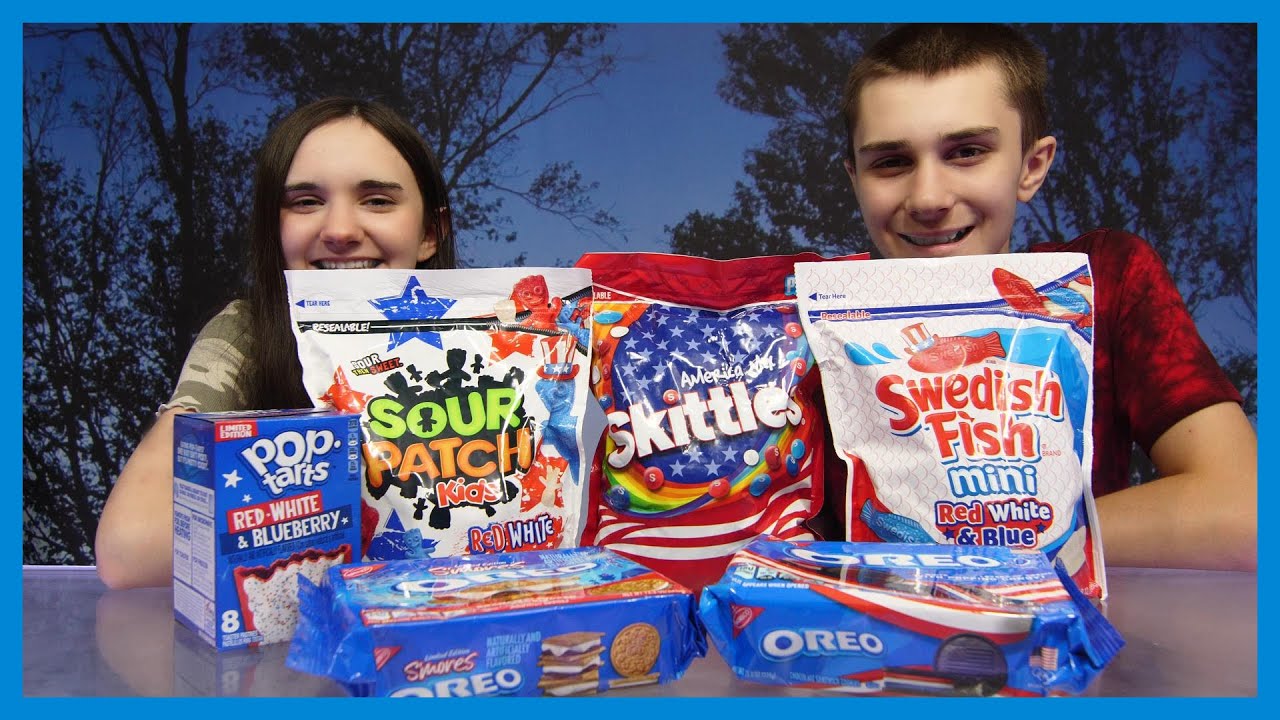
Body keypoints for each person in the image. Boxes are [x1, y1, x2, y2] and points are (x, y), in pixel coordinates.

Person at [838, 23, 1255, 571]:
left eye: (966, 151)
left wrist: (986, 557)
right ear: (855, 178)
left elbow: (1243, 507)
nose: (929, 197)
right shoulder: (801, 323)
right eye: (891, 161)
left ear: (1031, 167)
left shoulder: (1104, 277)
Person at [95, 97, 457, 589]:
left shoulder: (520, 345)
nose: (340, 231)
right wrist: (347, 507)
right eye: (306, 202)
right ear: (275, 227)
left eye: (377, 200)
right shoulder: (245, 335)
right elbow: (128, 550)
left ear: (430, 233)